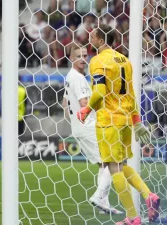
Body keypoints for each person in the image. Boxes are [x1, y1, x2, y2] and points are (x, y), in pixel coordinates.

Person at [77, 24, 159, 225]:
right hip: (125, 120)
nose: (90, 39)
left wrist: (86, 110)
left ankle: (132, 217)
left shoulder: (97, 61)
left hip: (108, 121)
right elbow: (130, 93)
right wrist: (136, 120)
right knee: (121, 165)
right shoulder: (124, 60)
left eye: (93, 36)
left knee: (113, 168)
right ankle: (149, 195)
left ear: (101, 40)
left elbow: (99, 92)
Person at [63, 43, 122, 215]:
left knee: (103, 164)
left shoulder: (70, 76)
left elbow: (64, 103)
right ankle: (98, 196)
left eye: (85, 55)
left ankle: (103, 204)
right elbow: (84, 103)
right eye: (79, 56)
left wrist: (74, 122)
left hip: (80, 127)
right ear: (71, 58)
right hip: (88, 126)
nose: (83, 59)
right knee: (113, 161)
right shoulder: (79, 79)